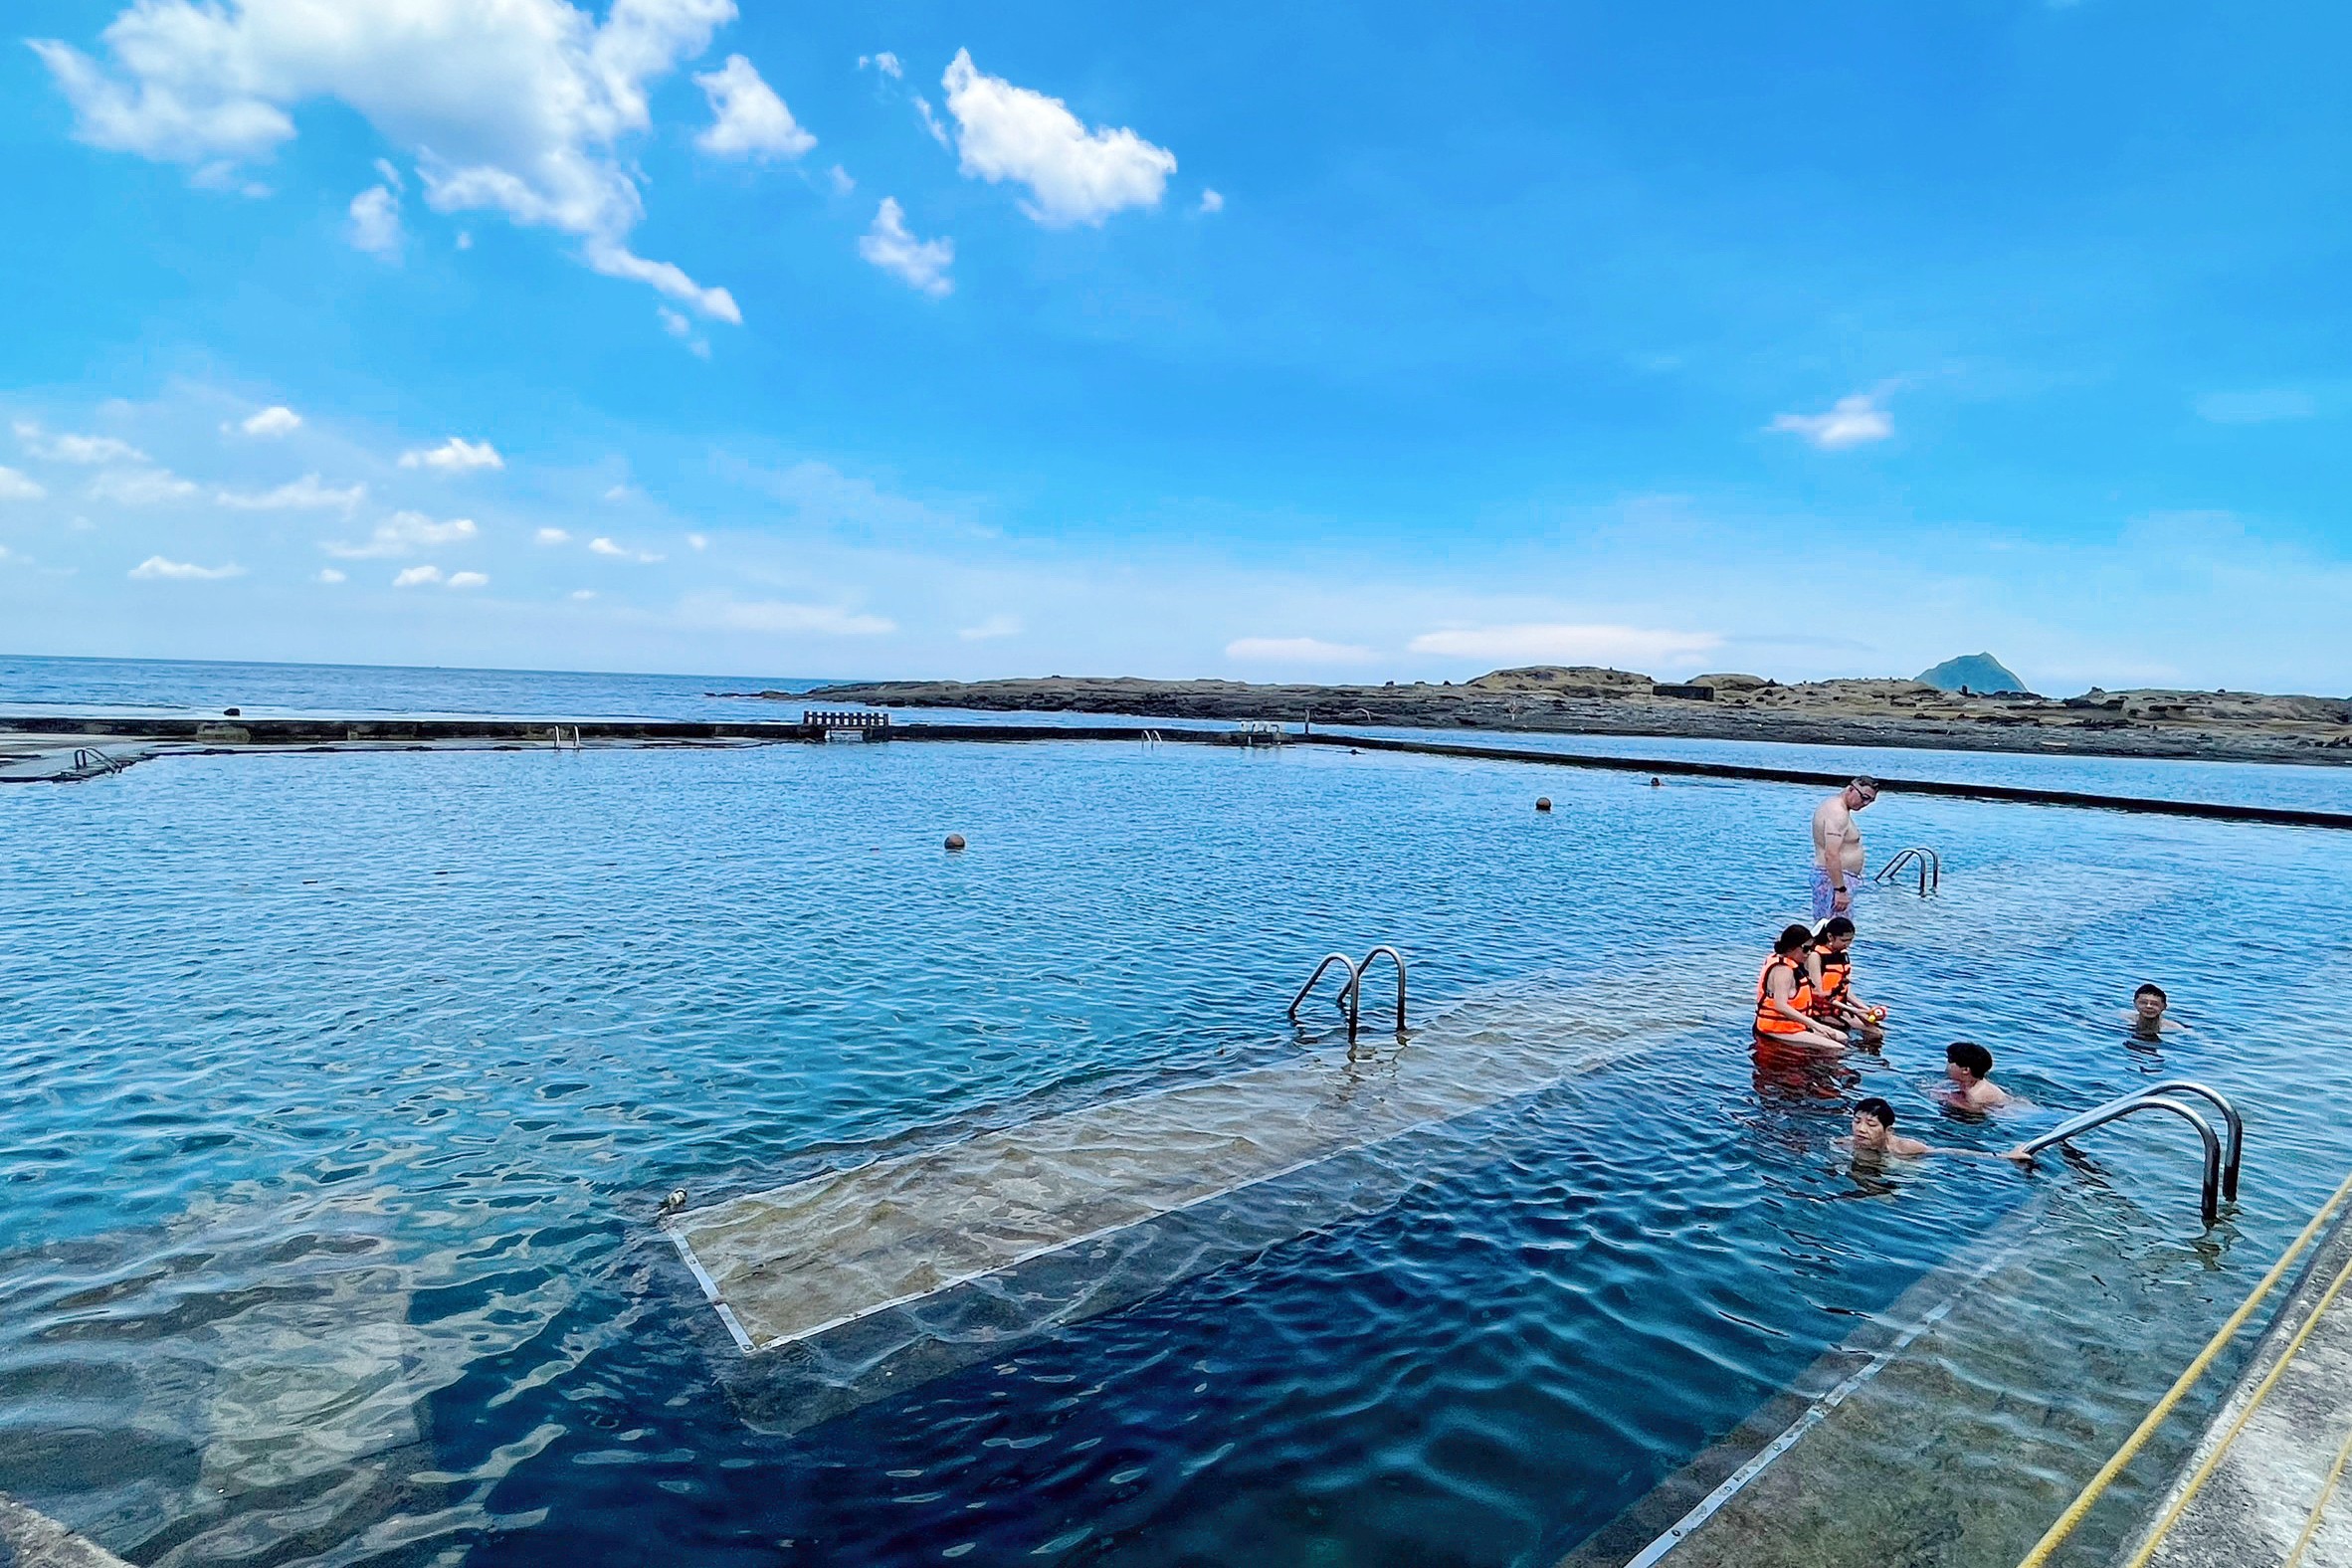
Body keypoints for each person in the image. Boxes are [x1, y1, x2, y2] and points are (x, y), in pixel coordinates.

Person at [1755, 923, 1851, 1050]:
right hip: (1777, 1027)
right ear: (1791, 948)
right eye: (1806, 949)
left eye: (1811, 948)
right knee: (1837, 1048)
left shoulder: (1791, 963)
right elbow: (1781, 1006)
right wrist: (1817, 1025)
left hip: (1794, 1025)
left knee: (1842, 1037)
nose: (1809, 953)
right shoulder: (1783, 970)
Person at [1806, 916, 1886, 1046]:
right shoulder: (1815, 956)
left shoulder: (1842, 955)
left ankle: (1867, 1062)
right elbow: (1818, 994)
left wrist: (1865, 1009)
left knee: (1877, 1032)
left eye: (1850, 940)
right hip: (1820, 1011)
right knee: (1843, 1040)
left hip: (1839, 1009)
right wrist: (1855, 1011)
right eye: (1844, 940)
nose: (1848, 944)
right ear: (1830, 937)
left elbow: (1844, 990)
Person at [1811, 777, 1878, 921]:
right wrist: (1840, 890)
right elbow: (1831, 854)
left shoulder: (1835, 807)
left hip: (1835, 879)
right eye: (1864, 798)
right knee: (1834, 931)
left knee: (1830, 928)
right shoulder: (1837, 813)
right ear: (1851, 789)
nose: (1865, 804)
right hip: (1833, 880)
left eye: (1870, 801)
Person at [1942, 1041, 2010, 1110]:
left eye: (1950, 1060)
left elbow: (1977, 1115)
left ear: (1965, 1070)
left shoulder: (1975, 1095)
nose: (1947, 1064)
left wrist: (1949, 1100)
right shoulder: (1968, 1083)